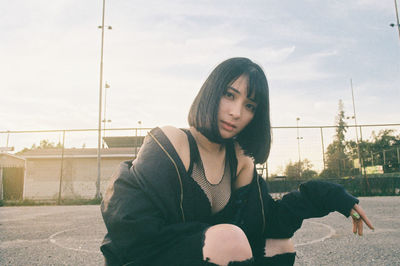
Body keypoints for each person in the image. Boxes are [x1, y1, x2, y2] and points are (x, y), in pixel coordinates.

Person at [100, 57, 374, 266]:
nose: (236, 112)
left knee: (279, 244)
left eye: (249, 106)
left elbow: (268, 223)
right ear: (211, 93)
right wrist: (215, 236)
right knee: (228, 237)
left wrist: (334, 197)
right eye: (229, 95)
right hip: (143, 257)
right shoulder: (173, 142)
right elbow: (131, 225)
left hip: (203, 256)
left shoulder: (240, 161)